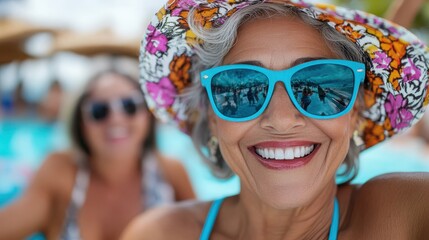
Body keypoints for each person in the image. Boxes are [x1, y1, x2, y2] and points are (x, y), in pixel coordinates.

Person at [122, 0, 429, 239]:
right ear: (211, 116)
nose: (281, 120)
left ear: (355, 110)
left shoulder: (405, 216)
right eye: (242, 88)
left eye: (321, 83)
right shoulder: (158, 234)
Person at [0, 70, 195, 240]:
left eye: (130, 105)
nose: (116, 118)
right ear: (80, 121)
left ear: (148, 114)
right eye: (99, 110)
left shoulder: (170, 173)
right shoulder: (61, 172)